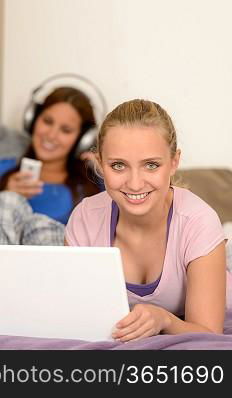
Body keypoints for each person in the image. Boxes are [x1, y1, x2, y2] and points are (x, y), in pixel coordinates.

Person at [64, 98, 232, 342]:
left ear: (174, 162)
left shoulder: (199, 221)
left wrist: (164, 319)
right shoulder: (85, 218)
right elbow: (73, 313)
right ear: (100, 164)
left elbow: (208, 335)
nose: (134, 183)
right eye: (118, 165)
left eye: (151, 165)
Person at [0, 87, 101, 225]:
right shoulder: (4, 170)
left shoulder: (94, 188)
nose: (51, 135)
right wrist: (5, 194)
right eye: (47, 121)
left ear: (82, 140)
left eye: (65, 130)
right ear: (33, 120)